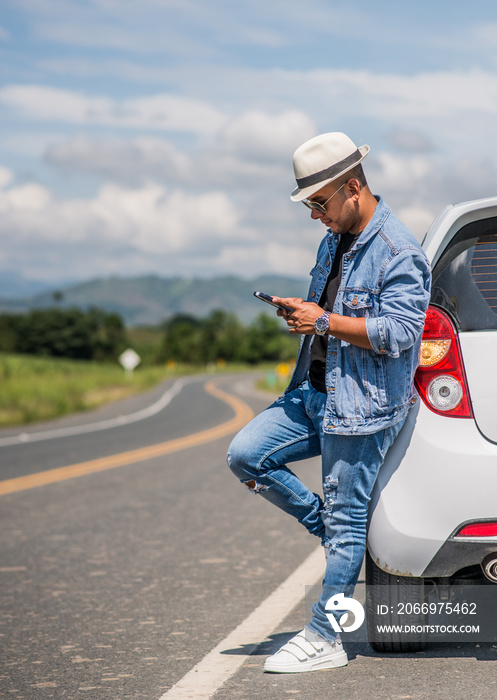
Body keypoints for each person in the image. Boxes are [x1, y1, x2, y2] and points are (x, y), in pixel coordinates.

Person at [227, 132, 431, 673]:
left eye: (319, 203)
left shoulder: (398, 251)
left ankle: (327, 636)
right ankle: (337, 533)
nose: (314, 215)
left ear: (353, 186)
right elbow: (331, 313)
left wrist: (321, 320)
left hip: (363, 405)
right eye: (309, 206)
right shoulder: (335, 240)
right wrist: (307, 309)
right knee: (246, 455)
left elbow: (401, 332)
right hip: (315, 392)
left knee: (348, 522)